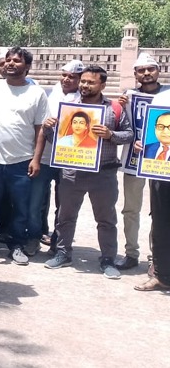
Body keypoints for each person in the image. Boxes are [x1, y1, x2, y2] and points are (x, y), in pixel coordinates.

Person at [43, 65, 133, 279]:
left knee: (106, 219)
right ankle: (63, 253)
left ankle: (108, 259)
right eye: (82, 81)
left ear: (102, 84)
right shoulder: (68, 108)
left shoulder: (114, 109)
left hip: (104, 173)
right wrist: (48, 128)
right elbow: (55, 142)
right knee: (65, 216)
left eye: (90, 82)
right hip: (72, 172)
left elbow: (129, 135)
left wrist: (111, 134)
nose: (84, 85)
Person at [0, 47, 49, 263]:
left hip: (22, 162)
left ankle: (16, 245)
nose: (10, 64)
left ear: (27, 67)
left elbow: (40, 129)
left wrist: (36, 159)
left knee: (20, 208)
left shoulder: (37, 93)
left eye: (16, 61)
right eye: (8, 60)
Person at [116, 52, 170, 271]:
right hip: (133, 159)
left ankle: (155, 257)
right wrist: (120, 109)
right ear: (135, 74)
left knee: (160, 211)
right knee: (131, 210)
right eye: (141, 70)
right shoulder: (127, 97)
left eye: (151, 69)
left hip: (162, 161)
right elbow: (120, 127)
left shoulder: (168, 95)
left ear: (159, 70)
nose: (146, 73)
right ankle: (131, 253)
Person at [32, 60, 84, 246]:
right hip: (45, 157)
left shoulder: (85, 100)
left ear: (80, 79)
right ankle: (37, 234)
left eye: (72, 77)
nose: (67, 79)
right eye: (64, 75)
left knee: (63, 204)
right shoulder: (48, 95)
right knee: (38, 201)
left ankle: (58, 240)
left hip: (68, 159)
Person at [135, 88, 170, 291]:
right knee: (161, 225)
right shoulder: (162, 98)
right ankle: (162, 275)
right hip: (161, 174)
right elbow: (150, 130)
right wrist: (142, 145)